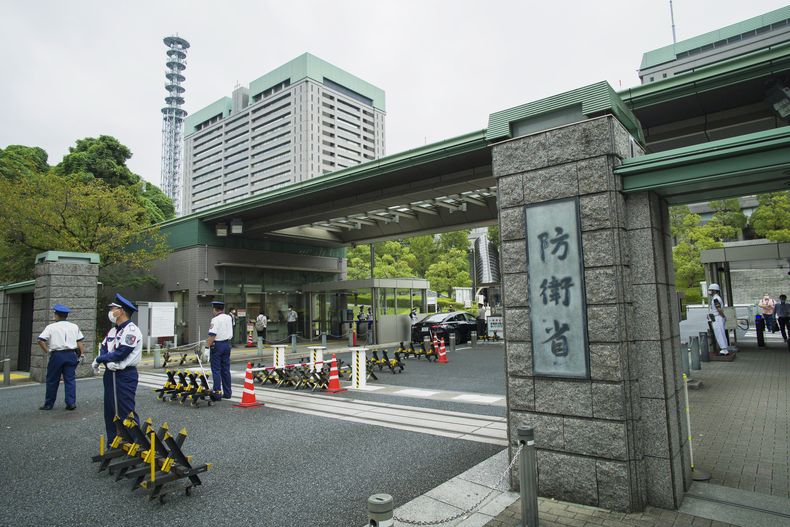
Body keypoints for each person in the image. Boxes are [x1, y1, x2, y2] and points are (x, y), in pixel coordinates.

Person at [92, 294, 142, 441]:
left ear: (121, 311)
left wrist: (100, 359)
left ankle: (135, 444)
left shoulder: (132, 330)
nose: (111, 311)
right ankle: (113, 442)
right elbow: (103, 346)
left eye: (113, 308)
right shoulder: (113, 330)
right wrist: (105, 360)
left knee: (125, 411)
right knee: (110, 410)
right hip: (110, 374)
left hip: (125, 375)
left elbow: (122, 352)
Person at [37, 304, 84, 411]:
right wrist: (82, 354)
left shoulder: (51, 327)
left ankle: (49, 404)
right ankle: (71, 403)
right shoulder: (74, 326)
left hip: (57, 355)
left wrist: (47, 351)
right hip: (71, 355)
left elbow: (40, 340)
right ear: (66, 315)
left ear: (57, 315)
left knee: (52, 380)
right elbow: (80, 341)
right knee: (70, 380)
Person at [206, 301, 233, 400]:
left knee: (216, 370)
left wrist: (206, 347)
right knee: (226, 370)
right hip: (227, 344)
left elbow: (212, 335)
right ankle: (227, 393)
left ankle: (217, 393)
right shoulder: (229, 318)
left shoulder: (215, 320)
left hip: (217, 345)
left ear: (214, 309)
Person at [707, 284, 729, 355]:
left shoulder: (716, 299)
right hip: (717, 317)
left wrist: (723, 316)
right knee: (720, 333)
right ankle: (724, 348)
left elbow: (718, 309)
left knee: (719, 333)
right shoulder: (715, 298)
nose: (709, 291)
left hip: (717, 318)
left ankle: (724, 350)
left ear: (714, 290)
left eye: (710, 290)